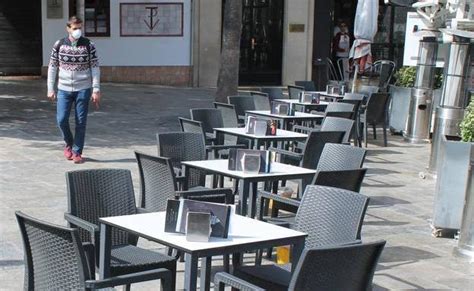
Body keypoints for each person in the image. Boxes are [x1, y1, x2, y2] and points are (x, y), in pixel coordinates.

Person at [47, 16, 100, 164]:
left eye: (80, 28)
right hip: (63, 89)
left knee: (81, 122)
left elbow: (95, 68)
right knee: (61, 119)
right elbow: (52, 67)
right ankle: (69, 143)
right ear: (68, 28)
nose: (78, 31)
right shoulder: (59, 45)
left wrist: (96, 89)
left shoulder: (89, 45)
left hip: (83, 89)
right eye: (75, 28)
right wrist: (50, 88)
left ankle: (77, 151)